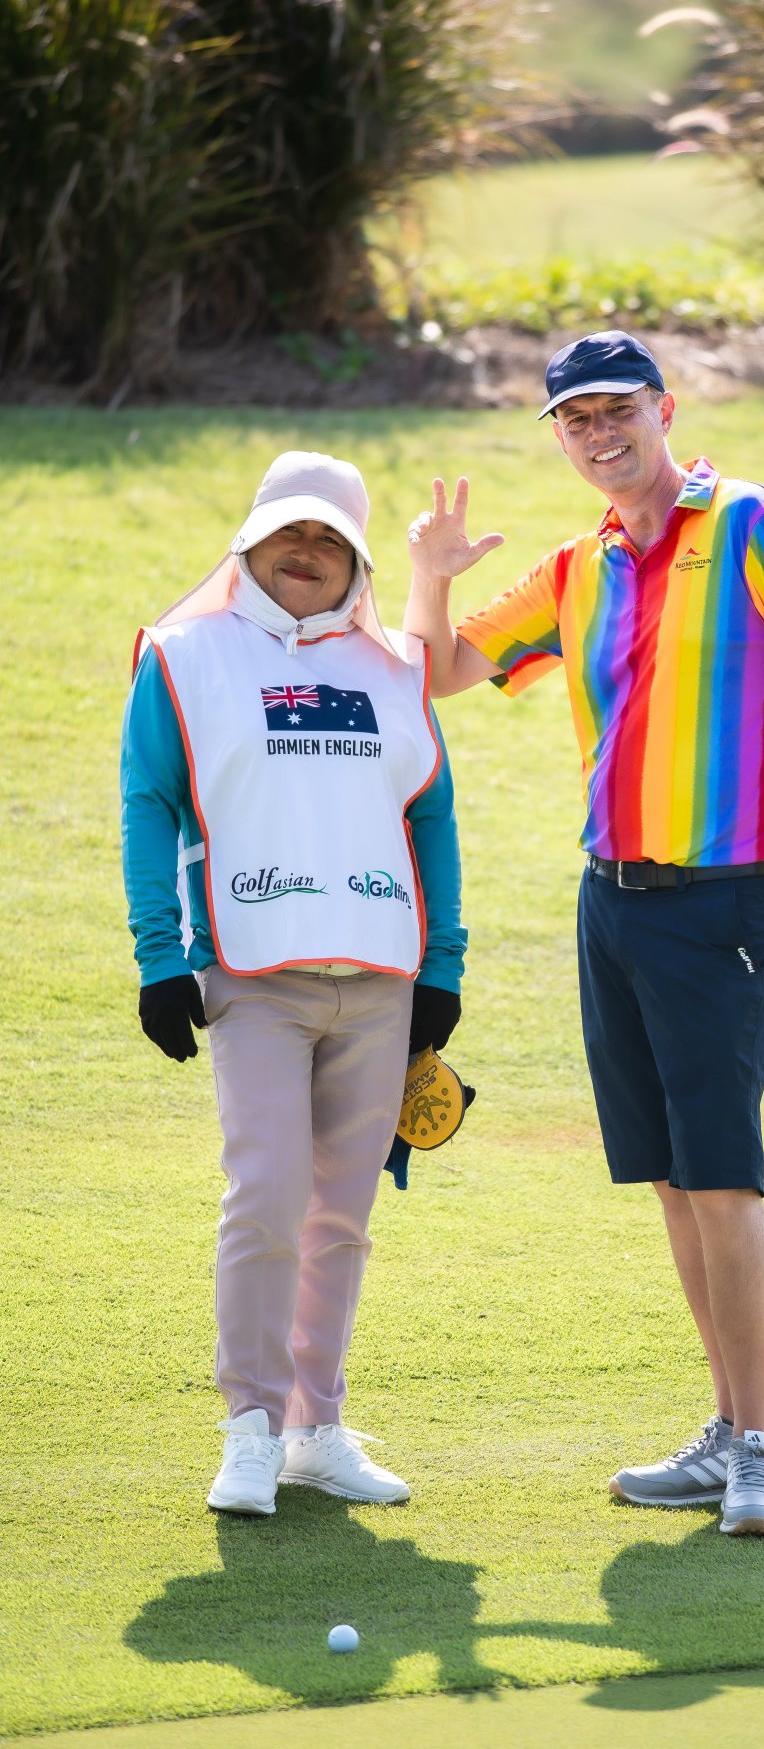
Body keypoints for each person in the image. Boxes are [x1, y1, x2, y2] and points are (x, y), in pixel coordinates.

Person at [402, 330, 764, 1538]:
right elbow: (441, 670)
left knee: (720, 1175)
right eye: (573, 420)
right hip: (611, 902)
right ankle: (726, 1430)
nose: (597, 434)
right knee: (673, 1179)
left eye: (616, 409)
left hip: (725, 900)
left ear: (663, 408)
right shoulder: (578, 567)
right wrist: (429, 574)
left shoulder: (754, 526)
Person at [121, 451, 466, 1516]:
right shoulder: (183, 655)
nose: (306, 552)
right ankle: (251, 1429)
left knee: (341, 1218)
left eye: (330, 538)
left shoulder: (395, 667)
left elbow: (431, 815)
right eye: (289, 532)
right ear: (250, 541)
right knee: (267, 1197)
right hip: (252, 972)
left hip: (378, 978)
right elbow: (149, 802)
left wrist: (443, 966)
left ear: (357, 559)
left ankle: (316, 1429)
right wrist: (159, 958)